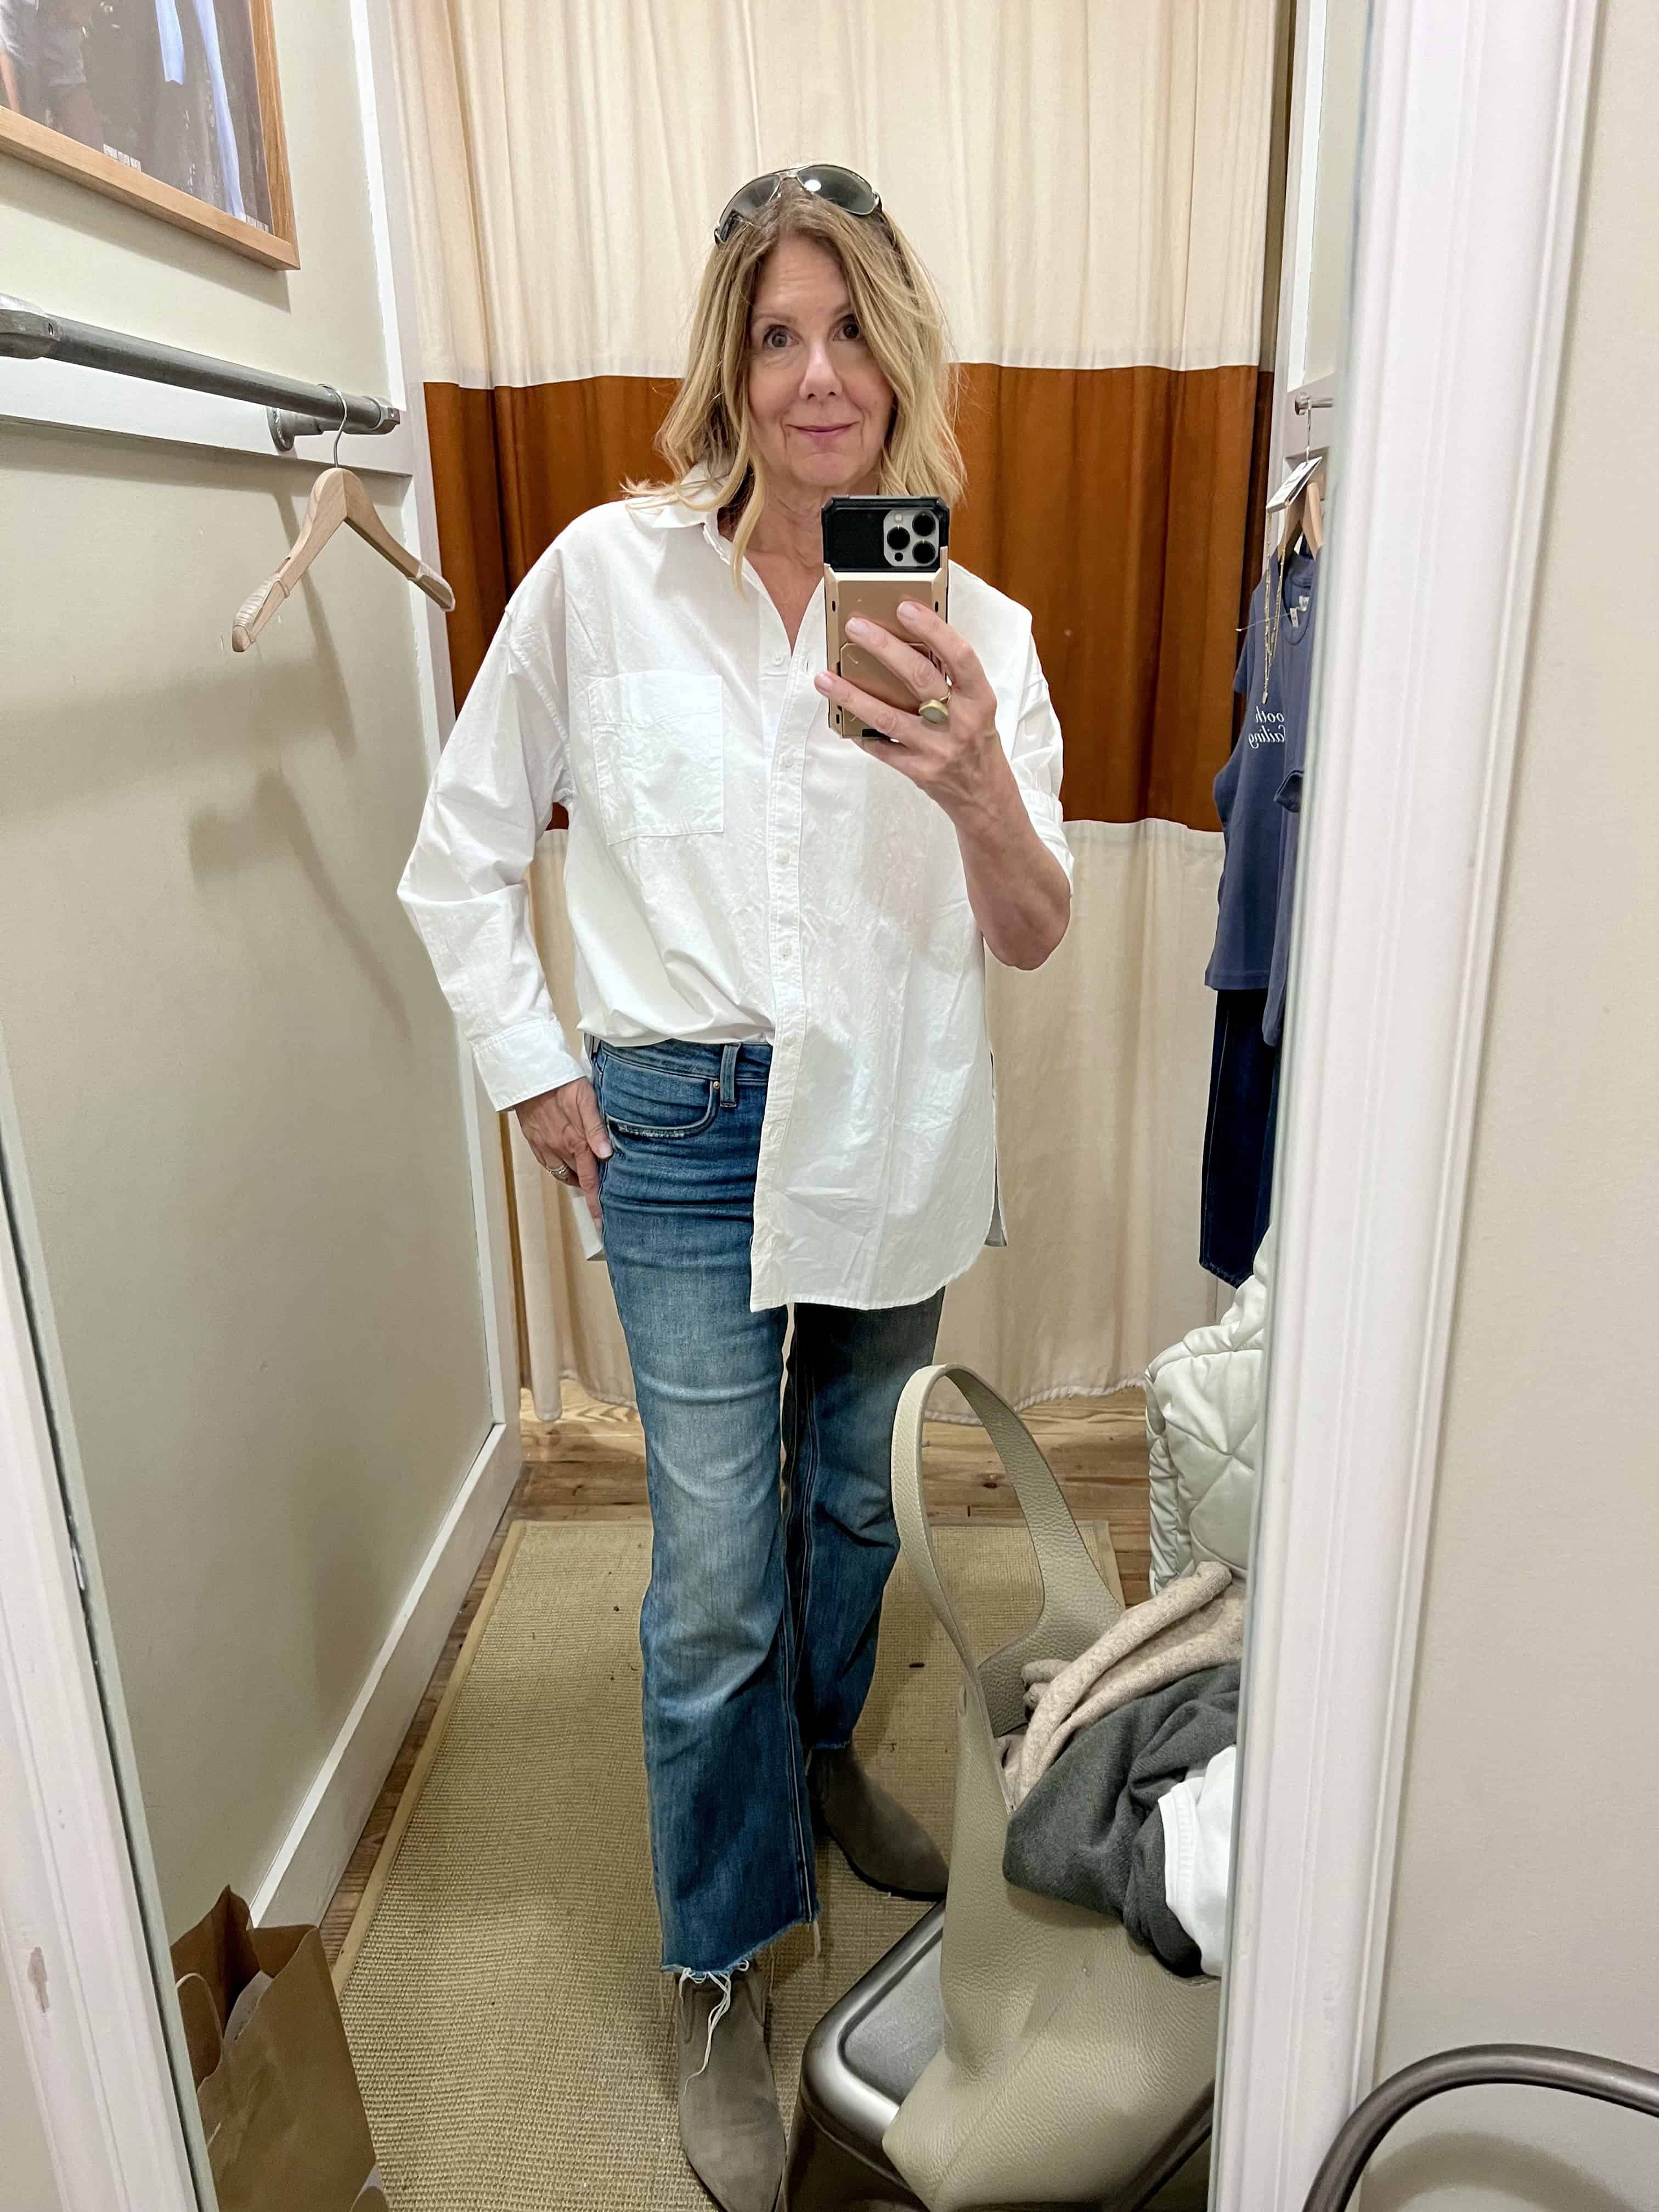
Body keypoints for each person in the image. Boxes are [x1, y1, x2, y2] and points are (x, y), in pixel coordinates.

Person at [399, 163, 1072, 2212]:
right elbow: (461, 850)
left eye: (848, 328)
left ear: (900, 354)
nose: (814, 377)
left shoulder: (978, 629)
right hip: (682, 1131)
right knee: (710, 1573)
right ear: (730, 362)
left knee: (858, 1498)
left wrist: (972, 781)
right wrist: (535, 1073)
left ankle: (815, 1758)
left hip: (893, 1112)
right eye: (776, 335)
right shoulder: (603, 581)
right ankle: (722, 1958)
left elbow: (1033, 931)